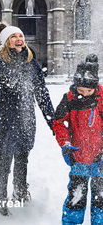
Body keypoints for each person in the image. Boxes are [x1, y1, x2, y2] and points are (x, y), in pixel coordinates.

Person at [0, 23, 55, 216]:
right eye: (13, 36)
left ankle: (21, 192)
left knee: (23, 159)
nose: (18, 39)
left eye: (20, 36)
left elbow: (41, 92)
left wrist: (52, 120)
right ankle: (1, 199)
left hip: (26, 120)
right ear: (7, 42)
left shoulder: (31, 62)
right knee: (4, 163)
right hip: (5, 122)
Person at [53, 54, 103, 225]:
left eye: (88, 91)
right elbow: (58, 123)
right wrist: (65, 144)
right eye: (80, 90)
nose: (84, 94)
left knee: (101, 198)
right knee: (76, 197)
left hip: (100, 158)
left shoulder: (102, 97)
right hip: (79, 156)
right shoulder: (68, 99)